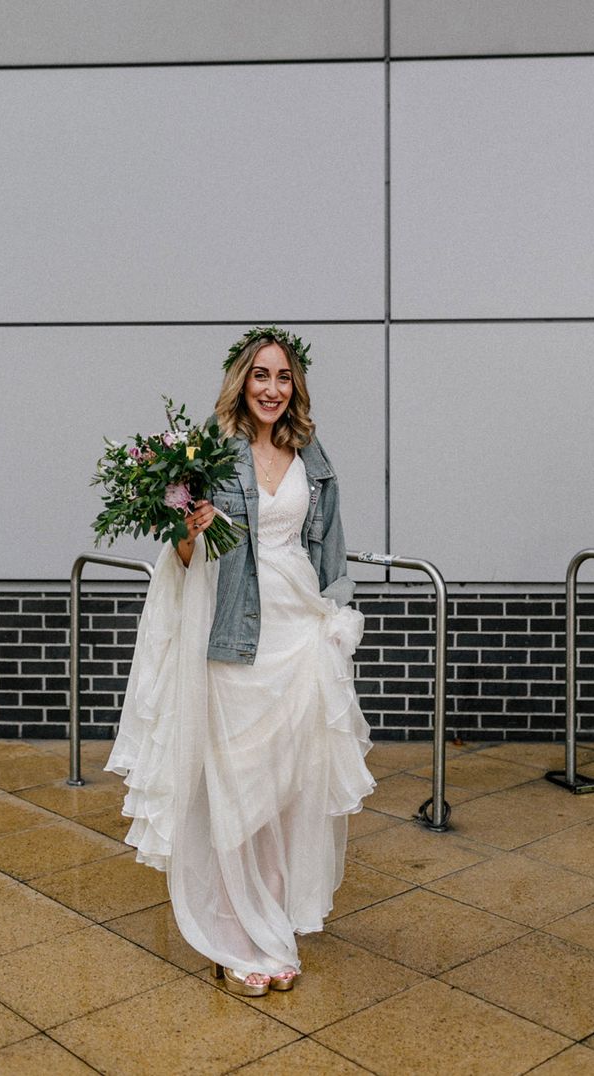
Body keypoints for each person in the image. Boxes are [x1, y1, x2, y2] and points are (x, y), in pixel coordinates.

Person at [105, 327, 375, 996]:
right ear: (241, 381)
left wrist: (337, 621)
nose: (272, 389)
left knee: (290, 788)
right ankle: (232, 933)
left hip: (299, 637)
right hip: (234, 637)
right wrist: (189, 536)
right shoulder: (212, 457)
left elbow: (329, 549)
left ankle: (273, 927)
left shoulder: (312, 456)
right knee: (236, 786)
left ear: (296, 387)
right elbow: (186, 559)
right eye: (262, 376)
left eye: (283, 378)